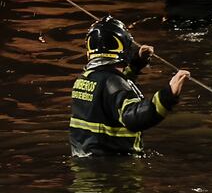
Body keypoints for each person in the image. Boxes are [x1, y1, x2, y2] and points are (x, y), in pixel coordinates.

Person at [69, 16, 190, 157]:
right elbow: (133, 117)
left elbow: (112, 93)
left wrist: (136, 63)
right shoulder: (112, 82)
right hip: (113, 168)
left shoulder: (86, 78)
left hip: (85, 162)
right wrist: (167, 95)